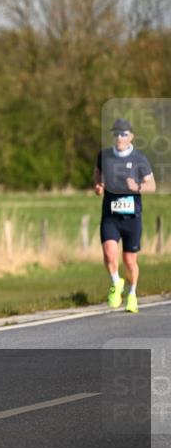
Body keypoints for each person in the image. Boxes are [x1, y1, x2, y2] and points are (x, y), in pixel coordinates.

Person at [94, 118, 157, 314]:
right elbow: (97, 172)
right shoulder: (104, 156)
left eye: (123, 134)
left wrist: (136, 187)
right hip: (110, 215)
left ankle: (132, 294)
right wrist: (98, 185)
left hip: (132, 217)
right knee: (108, 252)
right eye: (116, 134)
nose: (119, 137)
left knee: (129, 261)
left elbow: (152, 185)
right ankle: (116, 283)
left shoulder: (139, 159)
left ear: (131, 136)